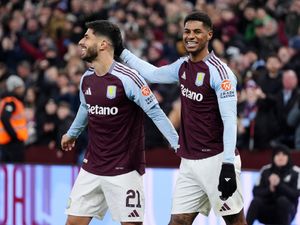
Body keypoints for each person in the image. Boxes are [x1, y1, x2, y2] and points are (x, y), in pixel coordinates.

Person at [116, 11, 246, 225]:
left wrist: (228, 164)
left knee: (235, 221)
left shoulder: (220, 73)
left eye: (197, 31)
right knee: (178, 221)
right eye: (187, 31)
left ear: (209, 35)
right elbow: (154, 74)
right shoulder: (183, 66)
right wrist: (123, 52)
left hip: (217, 159)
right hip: (189, 161)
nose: (190, 36)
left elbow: (230, 119)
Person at [61, 20, 179, 225]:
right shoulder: (86, 79)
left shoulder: (129, 78)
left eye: (87, 37)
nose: (81, 42)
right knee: (72, 223)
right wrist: (72, 133)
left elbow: (156, 113)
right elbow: (85, 106)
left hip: (124, 169)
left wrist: (178, 144)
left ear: (103, 44)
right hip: (92, 167)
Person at [246, 146, 300, 225]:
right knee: (256, 202)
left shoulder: (296, 171)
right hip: (267, 210)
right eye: (278, 154)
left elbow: (296, 194)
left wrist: (279, 184)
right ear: (273, 156)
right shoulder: (265, 170)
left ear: (288, 157)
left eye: (284, 154)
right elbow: (255, 192)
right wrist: (270, 189)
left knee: (282, 201)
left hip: (287, 212)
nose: (280, 157)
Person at [0, 75, 28, 162]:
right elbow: (5, 118)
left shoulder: (9, 101)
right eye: (20, 87)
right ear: (14, 88)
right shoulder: (11, 102)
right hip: (11, 144)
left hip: (10, 143)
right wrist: (14, 136)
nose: (22, 89)